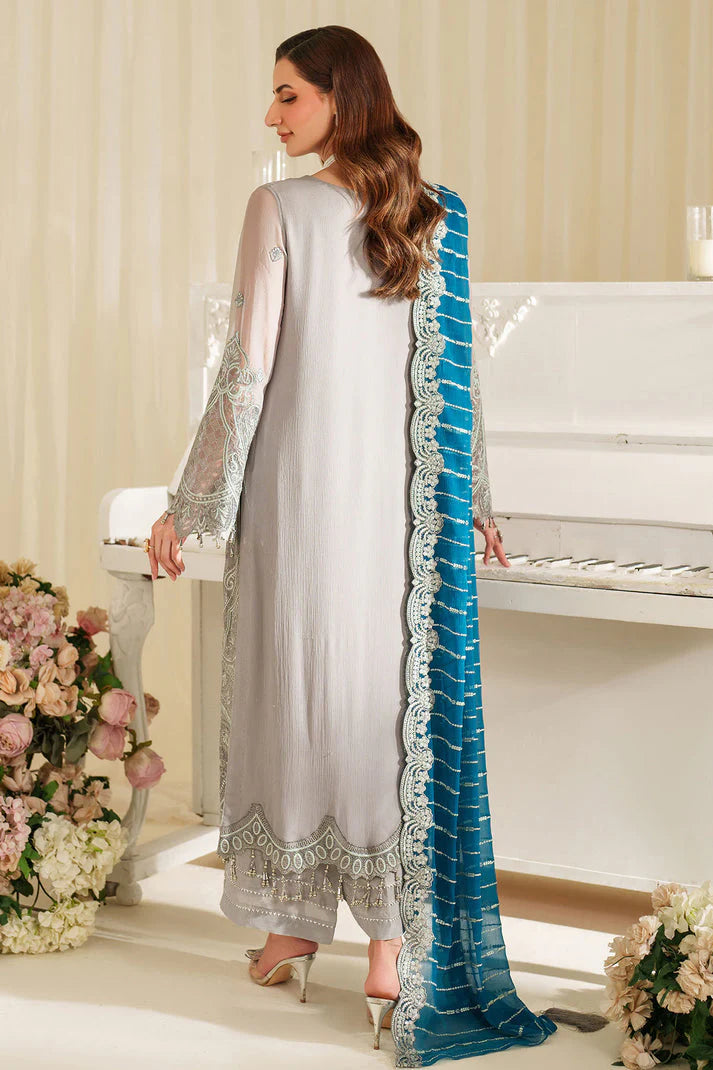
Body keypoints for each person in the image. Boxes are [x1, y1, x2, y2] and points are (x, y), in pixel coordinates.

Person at [146, 24, 597, 1067]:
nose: (272, 115)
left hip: (300, 501)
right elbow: (458, 380)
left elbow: (244, 374)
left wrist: (189, 502)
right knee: (381, 708)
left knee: (293, 691)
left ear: (339, 97)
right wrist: (473, 498)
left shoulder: (278, 209)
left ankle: (292, 933)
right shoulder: (439, 216)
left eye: (288, 95)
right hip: (403, 515)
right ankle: (385, 954)